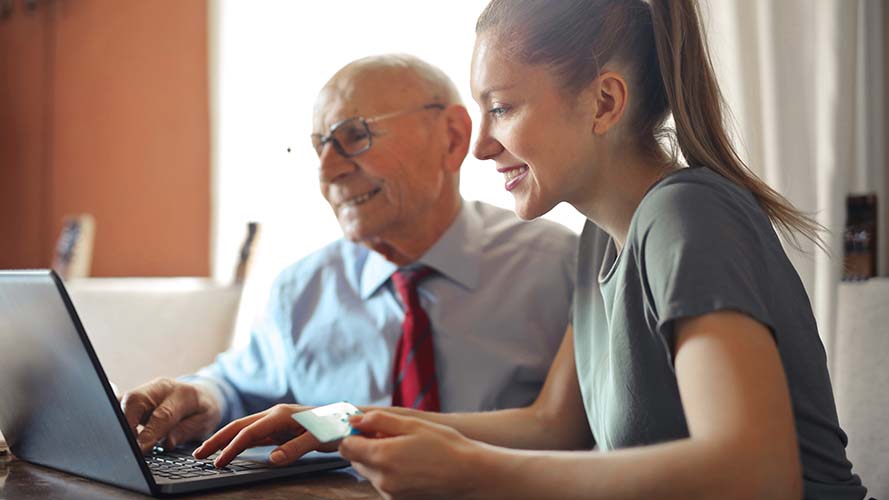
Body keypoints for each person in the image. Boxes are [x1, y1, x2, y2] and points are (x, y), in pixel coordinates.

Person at [194, 1, 869, 499]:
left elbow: (754, 473)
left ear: (603, 103)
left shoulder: (685, 215)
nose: (481, 147)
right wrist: (341, 421)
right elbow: (551, 426)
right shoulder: (599, 244)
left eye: (502, 109)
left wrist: (473, 472)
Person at [120, 54, 578, 459]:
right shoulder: (302, 288)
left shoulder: (560, 266)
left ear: (453, 138)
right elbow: (239, 387)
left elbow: (578, 433)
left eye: (354, 136)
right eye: (321, 145)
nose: (328, 171)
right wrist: (202, 397)